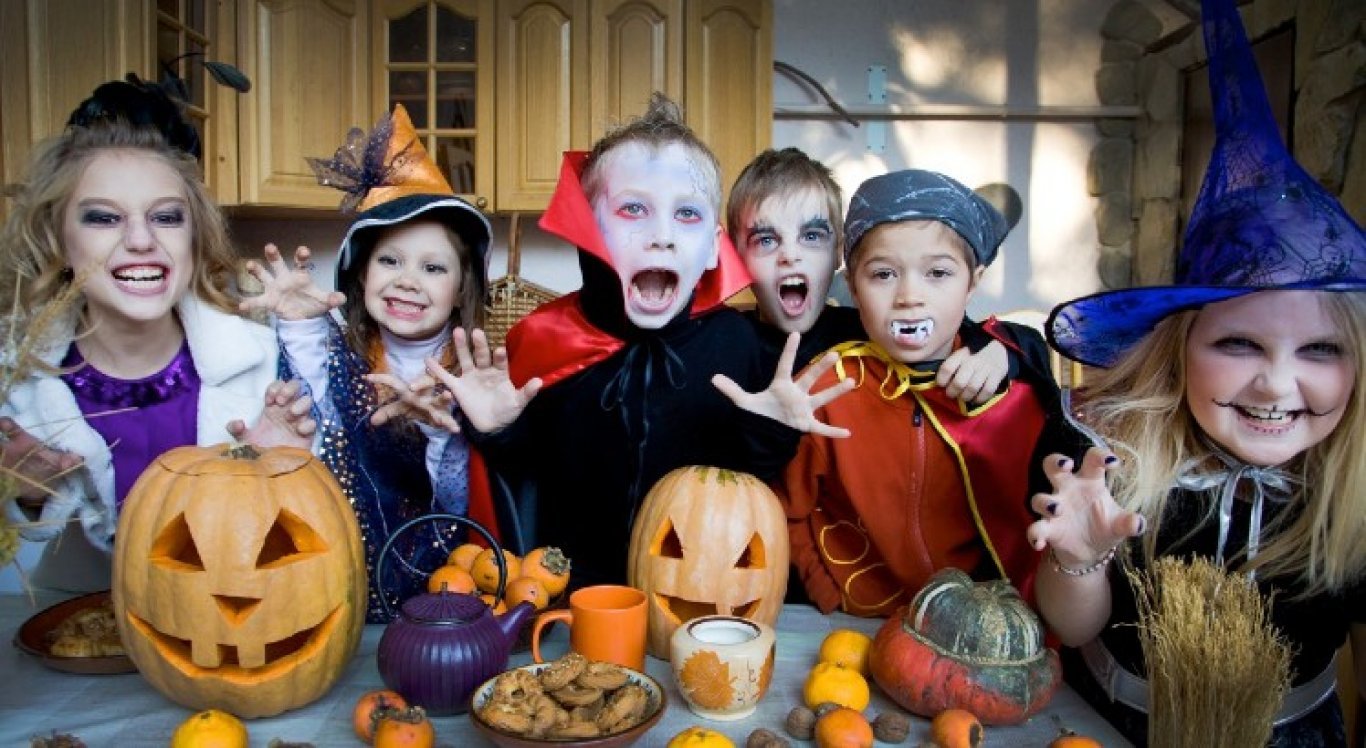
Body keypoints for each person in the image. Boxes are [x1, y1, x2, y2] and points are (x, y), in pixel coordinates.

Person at [1027, 0, 1365, 742]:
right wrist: (1082, 558)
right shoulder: (1099, 449)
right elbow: (1070, 620)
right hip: (1115, 726)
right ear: (1178, 346)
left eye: (1320, 351)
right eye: (1239, 345)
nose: (1276, 386)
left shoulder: (1357, 474)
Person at [403, 93, 853, 590]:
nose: (661, 236)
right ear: (587, 228)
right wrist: (498, 432)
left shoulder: (739, 343)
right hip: (570, 601)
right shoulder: (543, 337)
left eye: (686, 215)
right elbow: (526, 485)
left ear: (712, 249)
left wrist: (769, 431)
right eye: (633, 209)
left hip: (697, 598)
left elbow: (740, 490)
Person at [0, 77, 315, 592]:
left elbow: (311, 552)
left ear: (194, 235)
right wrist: (28, 495)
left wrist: (275, 474)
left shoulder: (265, 364)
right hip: (73, 646)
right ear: (58, 235)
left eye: (166, 217)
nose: (142, 240)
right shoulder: (13, 380)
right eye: (103, 218)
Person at [243, 104, 503, 621]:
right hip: (342, 576)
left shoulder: (473, 374)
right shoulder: (347, 358)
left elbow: (460, 508)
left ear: (459, 292)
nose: (407, 279)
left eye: (432, 267)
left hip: (442, 589)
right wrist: (297, 324)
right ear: (360, 275)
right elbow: (317, 421)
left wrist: (438, 433)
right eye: (390, 260)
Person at [777, 168, 1073, 617]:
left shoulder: (1003, 382)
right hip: (861, 621)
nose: (909, 296)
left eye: (937, 273)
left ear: (973, 281)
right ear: (853, 285)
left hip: (976, 626)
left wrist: (1006, 358)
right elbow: (787, 508)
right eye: (883, 275)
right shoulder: (826, 386)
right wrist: (825, 591)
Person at [726, 147, 1012, 402]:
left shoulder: (871, 330)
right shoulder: (719, 342)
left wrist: (1001, 353)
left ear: (839, 252)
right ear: (736, 256)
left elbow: (1000, 336)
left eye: (812, 236)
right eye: (765, 240)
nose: (790, 256)